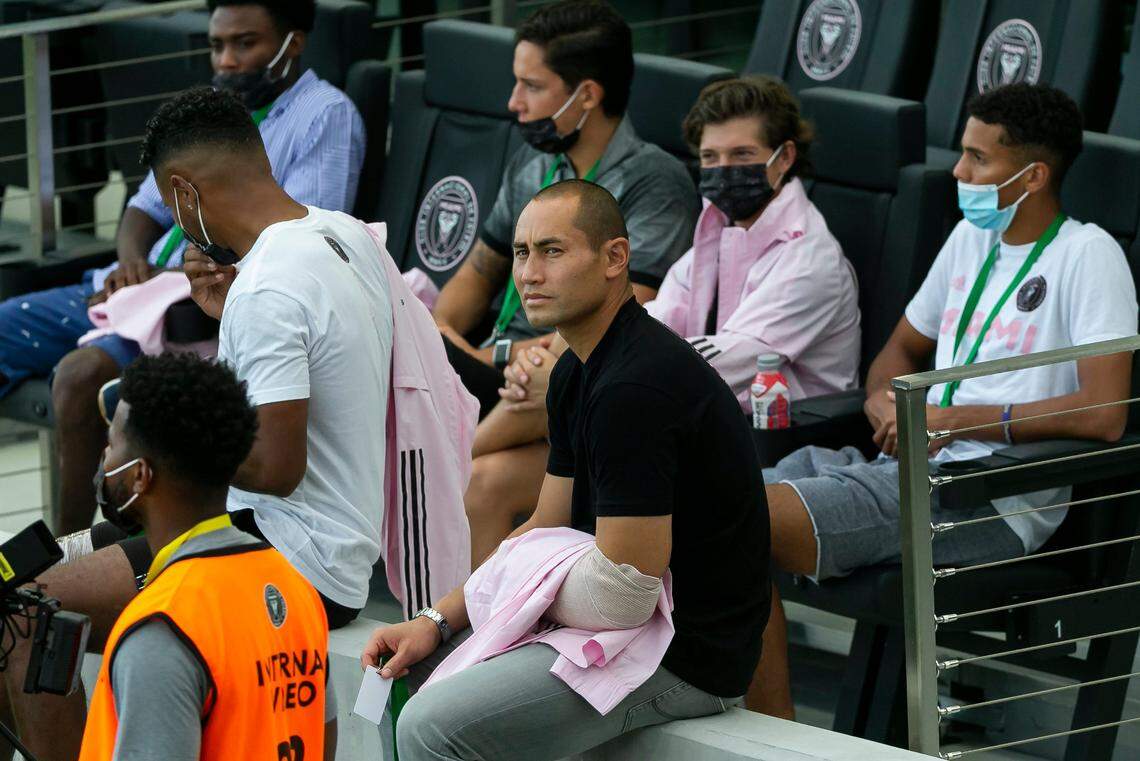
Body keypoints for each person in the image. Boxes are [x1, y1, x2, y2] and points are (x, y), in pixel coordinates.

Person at [0, 86, 382, 761]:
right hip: (315, 535)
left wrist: (153, 447)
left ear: (182, 193)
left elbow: (277, 468)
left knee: (28, 609)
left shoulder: (267, 287)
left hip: (288, 552)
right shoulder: (339, 234)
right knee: (20, 570)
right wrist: (223, 317)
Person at [750, 83, 1138, 718]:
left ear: (1033, 176)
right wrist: (886, 405)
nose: (958, 171)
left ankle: (771, 731)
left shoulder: (1088, 254)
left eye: (978, 158)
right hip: (901, 466)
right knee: (707, 498)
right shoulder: (969, 239)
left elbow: (1104, 412)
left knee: (735, 518)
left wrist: (956, 421)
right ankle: (758, 726)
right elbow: (898, 354)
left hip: (986, 495)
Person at [361, 180, 771, 760]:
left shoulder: (636, 386)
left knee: (431, 726)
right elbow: (544, 524)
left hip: (684, 656)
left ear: (615, 258)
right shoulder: (576, 370)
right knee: (395, 675)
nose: (529, 274)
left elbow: (622, 594)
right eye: (522, 252)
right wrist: (435, 620)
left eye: (552, 251)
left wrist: (521, 593)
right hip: (612, 629)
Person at [0, 0, 366, 535]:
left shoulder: (324, 115)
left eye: (246, 44)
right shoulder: (210, 111)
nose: (227, 60)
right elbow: (142, 209)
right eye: (217, 46)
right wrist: (132, 262)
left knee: (78, 377)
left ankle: (66, 549)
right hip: (132, 286)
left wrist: (160, 282)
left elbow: (295, 244)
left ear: (293, 42)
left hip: (192, 304)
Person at [463, 75, 862, 564]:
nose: (723, 170)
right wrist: (557, 361)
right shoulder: (713, 234)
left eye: (741, 155)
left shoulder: (810, 260)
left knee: (566, 382)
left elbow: (720, 362)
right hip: (666, 425)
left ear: (784, 158)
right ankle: (472, 594)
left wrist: (578, 369)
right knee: (487, 481)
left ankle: (449, 460)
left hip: (763, 442)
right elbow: (647, 321)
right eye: (710, 157)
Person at [430, 0, 698, 416]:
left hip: (556, 381)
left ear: (587, 94)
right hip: (494, 361)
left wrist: (474, 356)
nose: (514, 102)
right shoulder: (534, 160)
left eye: (532, 86)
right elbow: (480, 271)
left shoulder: (656, 183)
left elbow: (611, 326)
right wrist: (439, 332)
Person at [78, 353, 334, 761]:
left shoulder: (160, 628)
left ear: (141, 475)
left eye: (111, 445)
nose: (105, 459)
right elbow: (323, 738)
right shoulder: (295, 589)